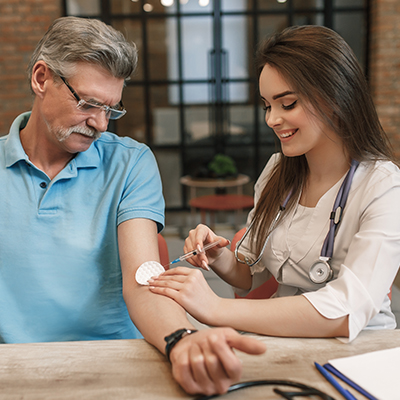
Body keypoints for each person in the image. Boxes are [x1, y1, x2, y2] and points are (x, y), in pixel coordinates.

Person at [0, 16, 266, 395]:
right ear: (41, 78)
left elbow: (143, 277)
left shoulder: (130, 163)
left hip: (115, 360)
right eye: (89, 104)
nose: (101, 124)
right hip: (15, 368)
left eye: (111, 109)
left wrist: (182, 339)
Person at [149, 25, 400, 343]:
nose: (271, 119)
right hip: (282, 343)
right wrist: (218, 254)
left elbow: (348, 310)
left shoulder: (384, 188)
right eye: (268, 105)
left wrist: (215, 308)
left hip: (358, 351)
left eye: (288, 104)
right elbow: (249, 274)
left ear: (336, 97)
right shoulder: (277, 172)